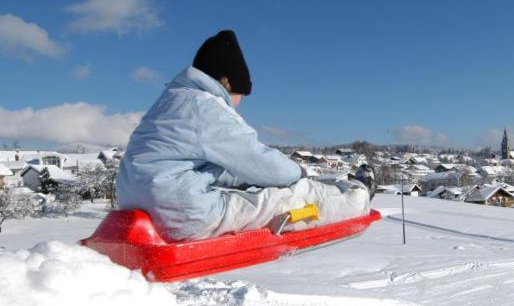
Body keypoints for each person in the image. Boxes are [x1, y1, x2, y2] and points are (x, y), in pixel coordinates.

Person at [116, 29, 372, 241]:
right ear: (226, 83)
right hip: (184, 213)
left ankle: (345, 190)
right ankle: (357, 198)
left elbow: (206, 170)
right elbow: (262, 164)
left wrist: (246, 181)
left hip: (140, 203)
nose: (237, 104)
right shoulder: (206, 108)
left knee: (252, 189)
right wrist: (297, 173)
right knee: (291, 198)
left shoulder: (170, 102)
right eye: (240, 96)